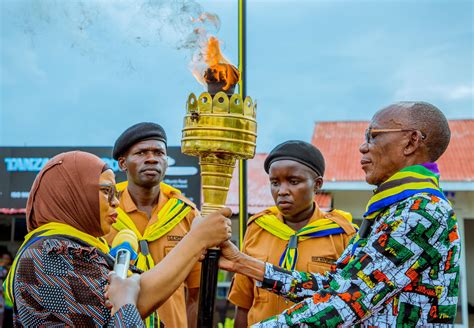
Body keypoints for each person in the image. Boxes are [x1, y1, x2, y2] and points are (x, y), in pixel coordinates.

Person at [219, 101, 461, 327]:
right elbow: (338, 286)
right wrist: (243, 263)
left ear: (410, 142)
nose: (363, 146)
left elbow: (345, 300)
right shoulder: (395, 208)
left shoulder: (421, 211)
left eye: (373, 136)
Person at [4, 151, 232, 327]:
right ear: (71, 194)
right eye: (106, 191)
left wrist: (196, 241)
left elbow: (132, 294)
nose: (115, 203)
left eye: (116, 194)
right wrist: (196, 240)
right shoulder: (49, 255)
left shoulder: (76, 248)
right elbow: (117, 310)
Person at [228, 140, 358, 326]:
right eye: (275, 183)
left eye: (294, 181)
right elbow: (243, 303)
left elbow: (350, 304)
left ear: (317, 184)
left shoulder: (342, 235)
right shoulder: (258, 229)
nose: (282, 191)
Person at [105, 122, 202, 327]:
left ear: (166, 161)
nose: (151, 158)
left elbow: (195, 293)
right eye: (141, 153)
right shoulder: (105, 211)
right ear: (123, 163)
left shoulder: (186, 215)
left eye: (159, 152)